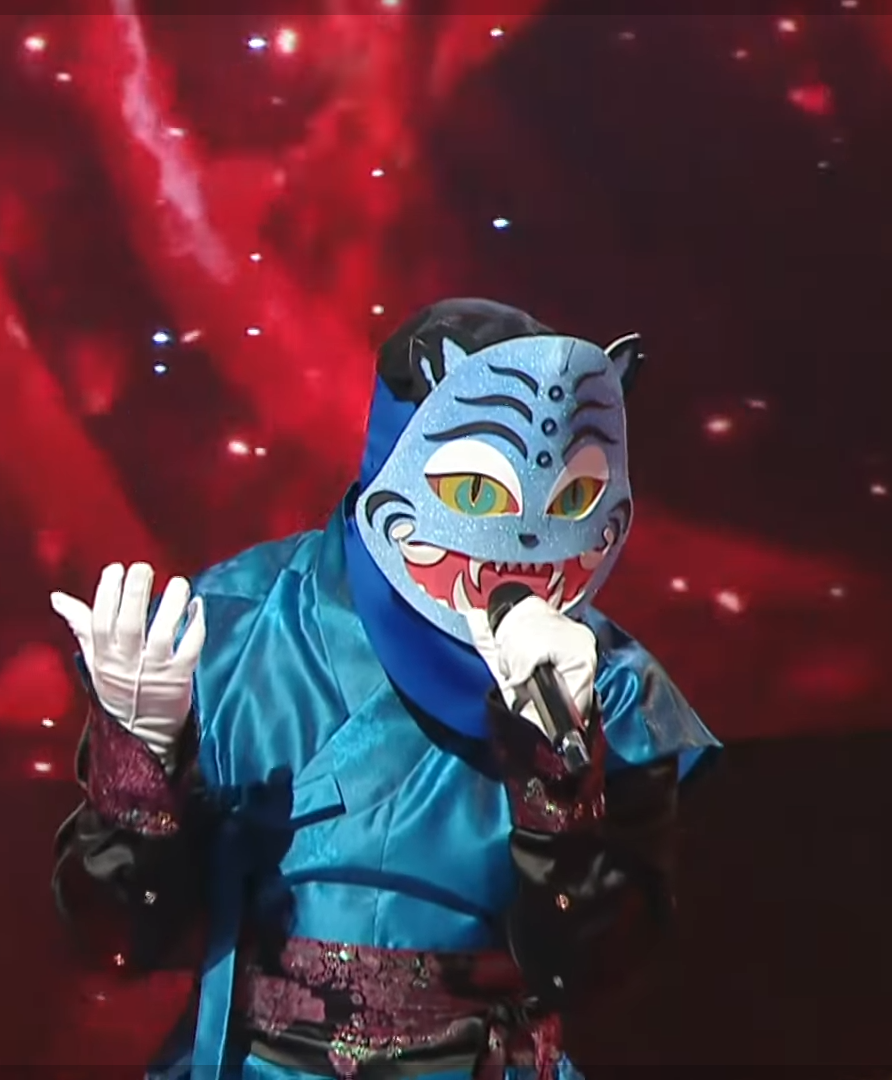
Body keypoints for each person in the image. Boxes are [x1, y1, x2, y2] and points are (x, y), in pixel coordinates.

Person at [50, 298, 720, 1080]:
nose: (529, 540)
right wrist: (141, 771)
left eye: (571, 500)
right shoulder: (230, 634)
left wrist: (561, 779)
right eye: (478, 495)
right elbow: (119, 940)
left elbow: (595, 967)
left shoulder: (615, 692)